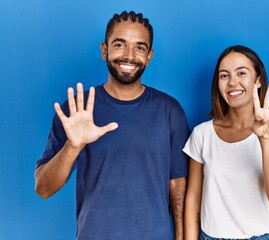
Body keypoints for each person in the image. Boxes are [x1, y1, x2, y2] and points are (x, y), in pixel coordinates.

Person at [35, 11, 189, 240]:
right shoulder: (77, 110)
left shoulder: (169, 110)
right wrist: (73, 146)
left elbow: (177, 185)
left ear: (149, 56)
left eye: (139, 47)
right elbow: (43, 189)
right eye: (120, 44)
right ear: (104, 50)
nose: (129, 56)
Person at [183, 45, 269, 240]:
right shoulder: (202, 134)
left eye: (241, 73)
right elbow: (194, 197)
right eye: (224, 75)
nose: (232, 82)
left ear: (258, 80)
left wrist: (266, 139)